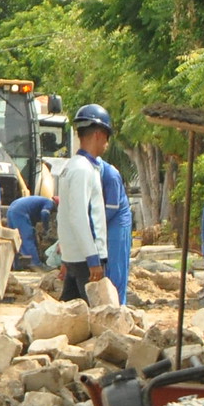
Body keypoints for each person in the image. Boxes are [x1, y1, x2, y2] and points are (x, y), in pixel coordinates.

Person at [54, 104, 112, 302]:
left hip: (75, 256)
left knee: (70, 314)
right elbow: (79, 216)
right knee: (93, 318)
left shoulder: (73, 166)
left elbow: (65, 213)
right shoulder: (82, 170)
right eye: (107, 137)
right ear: (98, 134)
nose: (107, 143)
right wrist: (93, 258)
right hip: (86, 258)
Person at [96, 145, 133, 305]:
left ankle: (118, 303)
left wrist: (96, 224)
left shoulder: (111, 176)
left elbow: (112, 207)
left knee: (116, 263)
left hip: (118, 221)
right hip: (105, 218)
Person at [5, 194, 55, 267]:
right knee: (26, 239)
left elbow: (32, 220)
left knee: (15, 240)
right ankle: (35, 264)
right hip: (20, 212)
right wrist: (46, 228)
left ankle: (17, 265)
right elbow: (45, 213)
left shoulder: (38, 204)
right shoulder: (49, 203)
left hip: (11, 210)